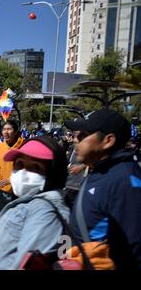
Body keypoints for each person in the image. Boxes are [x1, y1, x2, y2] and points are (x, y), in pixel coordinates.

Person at [0, 136, 69, 270]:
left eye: (35, 167)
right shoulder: (29, 203)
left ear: (53, 173)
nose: (23, 173)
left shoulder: (45, 212)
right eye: (19, 165)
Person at [65, 109, 141, 269]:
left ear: (108, 140)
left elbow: (134, 250)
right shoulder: (99, 170)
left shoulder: (125, 182)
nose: (75, 140)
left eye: (82, 135)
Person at [0, 120, 25, 213]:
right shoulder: (0, 147)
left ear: (16, 131)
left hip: (21, 192)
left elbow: (29, 170)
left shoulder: (25, 147)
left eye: (9, 129)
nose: (5, 132)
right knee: (2, 219)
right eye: (4, 129)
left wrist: (11, 180)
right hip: (4, 191)